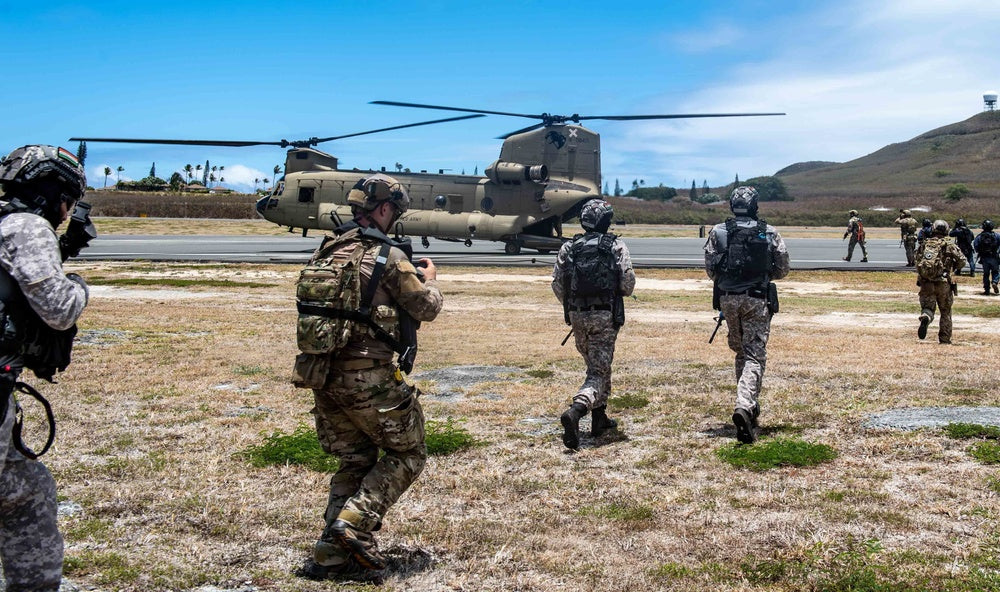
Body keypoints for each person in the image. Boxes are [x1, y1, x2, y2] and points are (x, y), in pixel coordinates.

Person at [293, 174, 443, 581]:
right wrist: (431, 280)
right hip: (368, 377)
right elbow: (425, 308)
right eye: (394, 211)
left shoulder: (327, 251)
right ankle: (353, 524)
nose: (395, 218)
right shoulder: (387, 256)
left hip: (323, 375)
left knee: (355, 458)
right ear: (382, 209)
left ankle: (330, 555)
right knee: (408, 454)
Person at [0, 145, 91, 591]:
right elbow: (58, 308)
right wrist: (77, 283)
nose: (66, 211)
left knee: (28, 491)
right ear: (54, 192)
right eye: (67, 201)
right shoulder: (27, 227)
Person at [704, 186, 790, 444]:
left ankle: (750, 406)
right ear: (755, 205)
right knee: (754, 355)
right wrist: (763, 276)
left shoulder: (718, 231)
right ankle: (744, 404)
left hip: (728, 299)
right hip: (756, 297)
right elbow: (783, 267)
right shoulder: (769, 231)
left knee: (741, 351)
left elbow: (711, 269)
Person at [552, 199, 635, 450]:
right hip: (604, 315)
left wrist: (576, 305)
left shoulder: (569, 247)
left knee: (597, 365)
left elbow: (558, 284)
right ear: (606, 222)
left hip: (577, 315)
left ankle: (599, 418)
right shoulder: (616, 246)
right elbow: (628, 283)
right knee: (598, 371)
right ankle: (577, 410)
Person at [915, 220, 966, 343]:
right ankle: (944, 339)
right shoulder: (950, 245)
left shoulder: (925, 244)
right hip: (943, 283)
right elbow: (962, 261)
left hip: (926, 282)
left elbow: (917, 260)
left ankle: (926, 317)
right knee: (945, 311)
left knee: (927, 307)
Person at [973, 219, 1000, 295]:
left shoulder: (979, 236)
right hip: (994, 257)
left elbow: (976, 246)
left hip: (984, 258)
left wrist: (981, 252)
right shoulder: (997, 235)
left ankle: (987, 290)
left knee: (986, 274)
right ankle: (994, 282)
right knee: (996, 272)